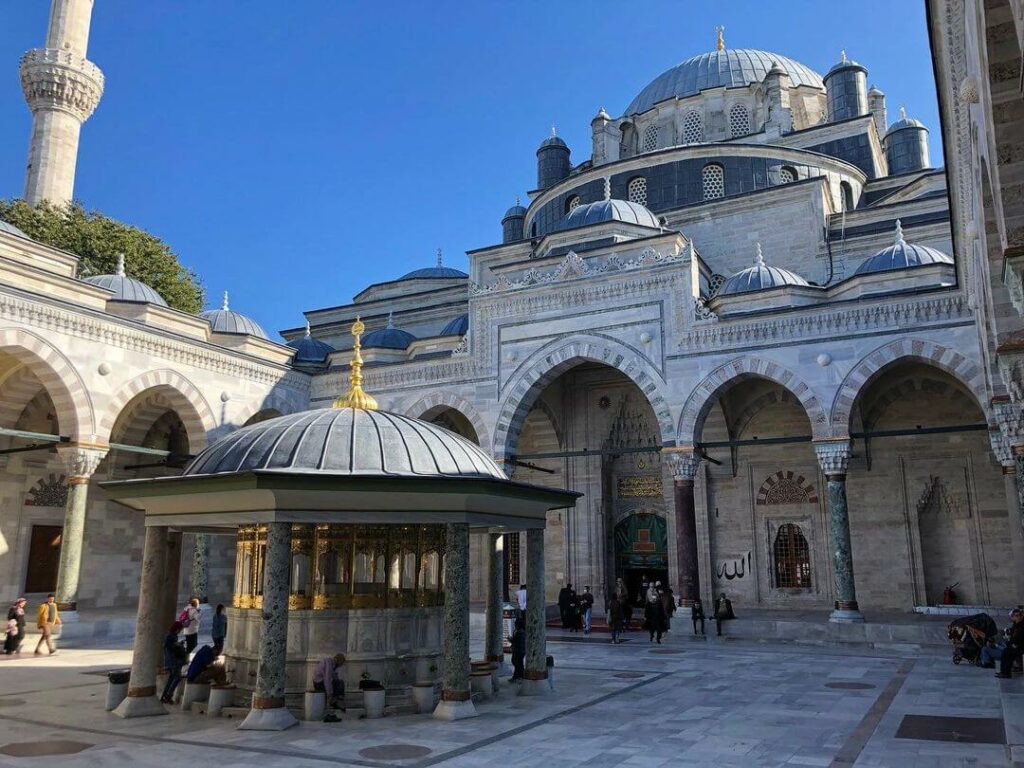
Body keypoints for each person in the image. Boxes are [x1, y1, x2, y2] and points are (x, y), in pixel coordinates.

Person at [160, 621, 188, 703]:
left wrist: (177, 644)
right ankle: (169, 695)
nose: (180, 630)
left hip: (171, 661)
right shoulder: (171, 636)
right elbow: (168, 646)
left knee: (171, 678)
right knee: (177, 677)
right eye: (180, 629)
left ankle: (164, 696)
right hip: (174, 660)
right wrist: (177, 645)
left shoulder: (172, 636)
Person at [996, 607, 1024, 679]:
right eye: (1016, 616)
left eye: (1019, 615)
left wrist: (1014, 644)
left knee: (1007, 652)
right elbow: (1012, 634)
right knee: (1006, 650)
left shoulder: (1022, 625)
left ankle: (1006, 673)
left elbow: (1020, 637)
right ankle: (1004, 672)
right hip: (1014, 644)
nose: (1018, 617)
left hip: (1020, 646)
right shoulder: (1016, 625)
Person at [510, 618, 526, 682]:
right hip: (519, 650)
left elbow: (514, 640)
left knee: (516, 662)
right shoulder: (518, 631)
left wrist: (510, 639)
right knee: (519, 663)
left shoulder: (520, 632)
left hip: (518, 650)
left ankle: (516, 676)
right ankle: (520, 675)